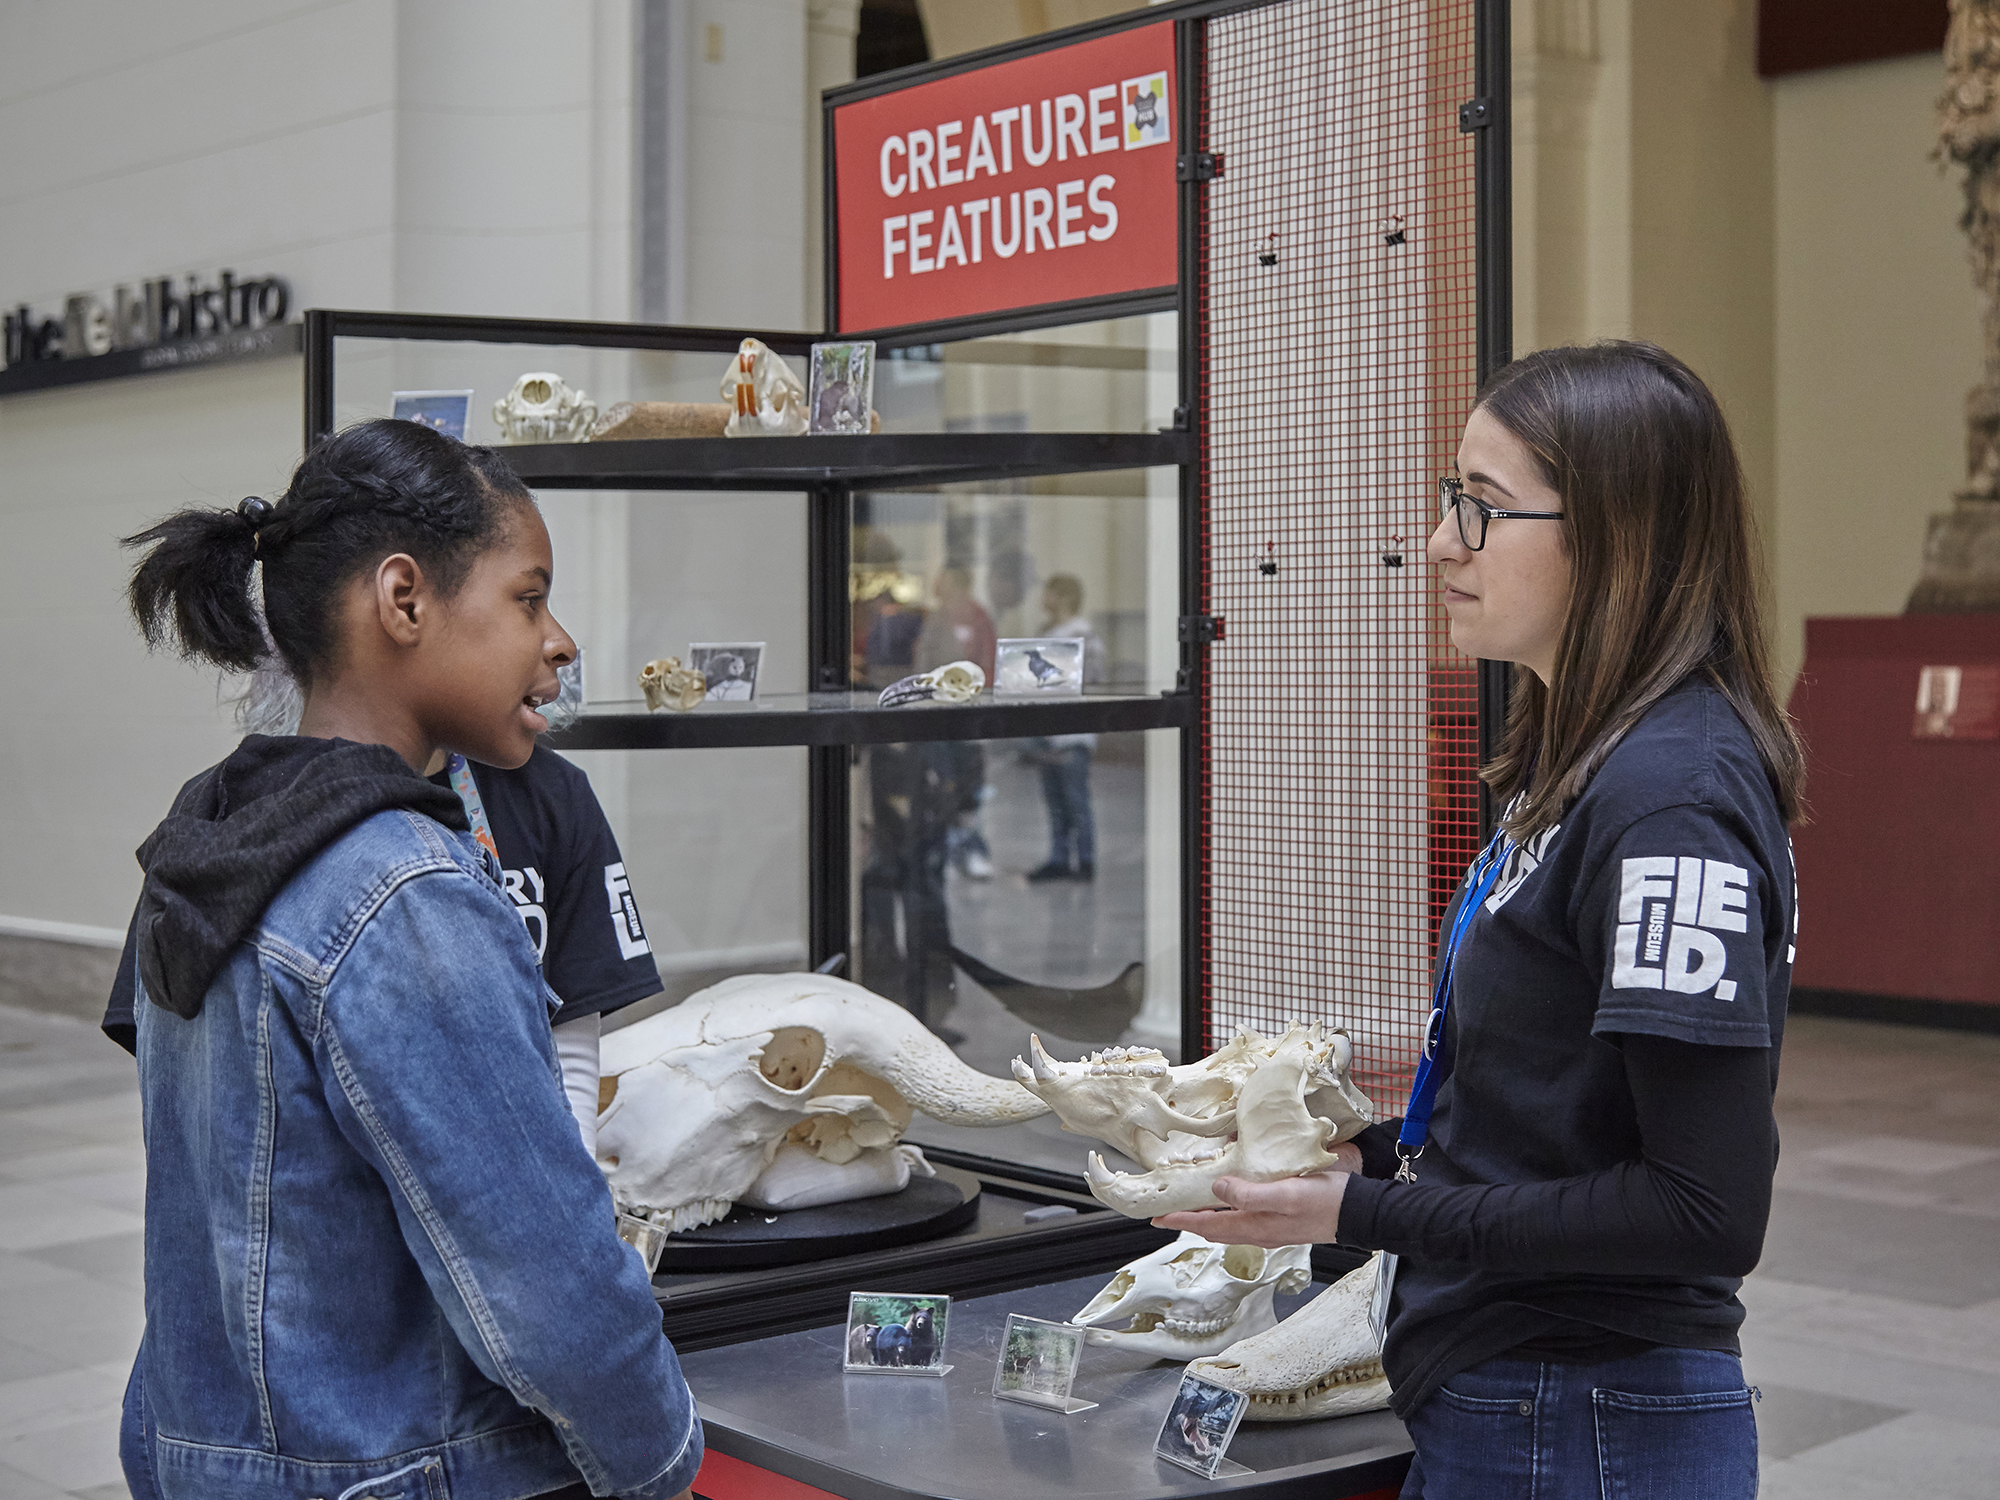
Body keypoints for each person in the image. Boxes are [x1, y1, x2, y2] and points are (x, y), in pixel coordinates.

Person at [1159, 343, 1801, 1500]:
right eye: (1452, 499)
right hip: (1515, 1395)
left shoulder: (1669, 797)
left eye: (1484, 509)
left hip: (1585, 1410)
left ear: (1615, 535)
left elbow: (1699, 1208)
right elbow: (1556, 1109)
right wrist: (1365, 1155)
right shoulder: (1580, 755)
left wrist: (1369, 1210)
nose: (1444, 542)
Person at [113, 419, 700, 1500]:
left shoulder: (209, 835)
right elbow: (548, 1292)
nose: (558, 639)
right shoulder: (404, 892)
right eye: (527, 598)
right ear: (402, 600)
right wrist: (661, 1457)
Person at [104, 673, 666, 1162]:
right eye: (523, 600)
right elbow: (183, 1068)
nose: (560, 645)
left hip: (510, 1172)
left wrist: (574, 1189)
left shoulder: (551, 792)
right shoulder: (225, 806)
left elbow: (568, 1031)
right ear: (405, 612)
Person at [1024, 573, 1109, 883]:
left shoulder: (1083, 634)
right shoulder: (1045, 632)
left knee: (1076, 800)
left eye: (1050, 593)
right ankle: (1058, 858)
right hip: (1047, 730)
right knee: (1055, 801)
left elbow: (1094, 677)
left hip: (1073, 732)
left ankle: (1085, 860)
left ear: (1064, 597)